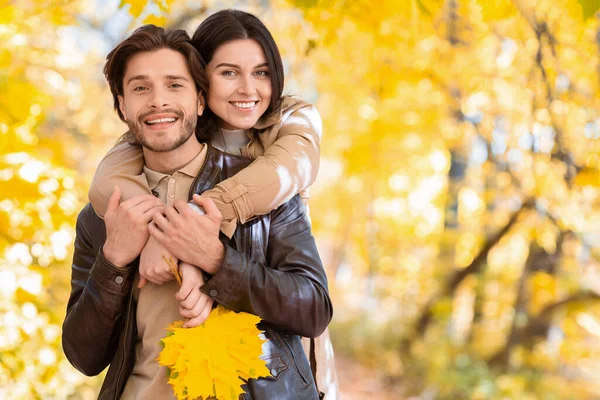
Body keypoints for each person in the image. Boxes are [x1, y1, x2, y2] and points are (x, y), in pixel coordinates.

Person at [61, 24, 332, 400]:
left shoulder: (261, 189)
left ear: (201, 100)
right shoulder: (101, 215)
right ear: (122, 105)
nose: (158, 101)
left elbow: (314, 309)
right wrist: (114, 260)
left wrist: (217, 260)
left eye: (175, 85)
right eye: (140, 88)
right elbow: (83, 356)